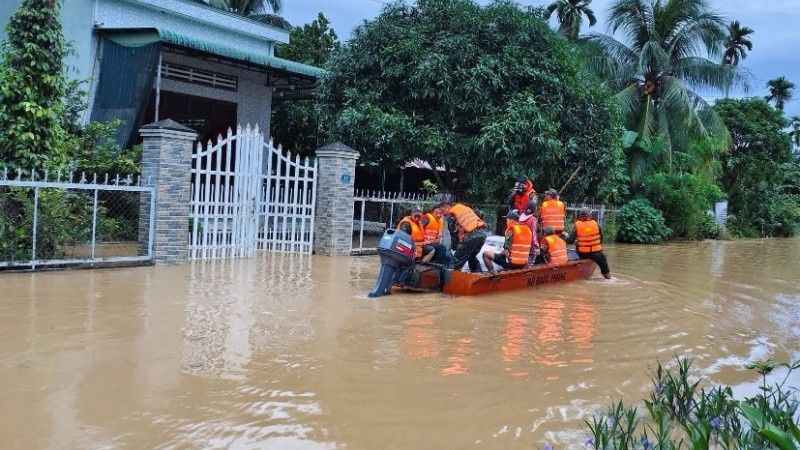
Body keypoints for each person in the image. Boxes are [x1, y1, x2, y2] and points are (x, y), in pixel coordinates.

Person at [437, 201, 487, 272]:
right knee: (471, 256)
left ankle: (450, 279)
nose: (442, 214)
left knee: (456, 261)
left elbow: (453, 234)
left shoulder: (451, 217)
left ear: (447, 207)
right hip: (482, 235)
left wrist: (453, 247)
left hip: (471, 236)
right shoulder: (464, 208)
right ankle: (478, 274)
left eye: (442, 211)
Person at [565, 207, 612, 279]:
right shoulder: (596, 224)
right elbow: (601, 240)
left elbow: (570, 241)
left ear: (580, 216)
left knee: (577, 243)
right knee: (606, 271)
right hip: (597, 253)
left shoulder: (576, 226)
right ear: (590, 215)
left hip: (583, 254)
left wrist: (565, 235)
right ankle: (608, 277)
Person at [518, 200, 539, 264]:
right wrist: (536, 246)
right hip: (529, 245)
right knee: (530, 264)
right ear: (533, 210)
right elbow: (533, 234)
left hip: (521, 243)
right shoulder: (532, 219)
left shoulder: (520, 218)